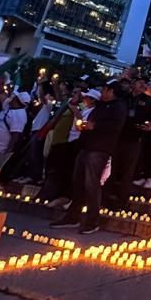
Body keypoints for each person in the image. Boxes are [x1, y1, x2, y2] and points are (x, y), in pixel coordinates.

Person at [51, 80, 126, 234]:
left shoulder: (119, 107)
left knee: (92, 184)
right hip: (86, 146)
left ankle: (92, 221)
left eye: (104, 89)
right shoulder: (100, 106)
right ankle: (73, 216)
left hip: (100, 149)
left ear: (111, 91)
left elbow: (116, 127)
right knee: (77, 182)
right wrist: (84, 126)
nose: (102, 92)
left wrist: (95, 126)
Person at [105, 78, 151, 207]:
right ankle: (105, 197)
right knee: (111, 168)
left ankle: (121, 201)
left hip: (134, 138)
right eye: (136, 83)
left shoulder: (147, 100)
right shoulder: (124, 98)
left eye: (141, 84)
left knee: (128, 171)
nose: (138, 85)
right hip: (118, 137)